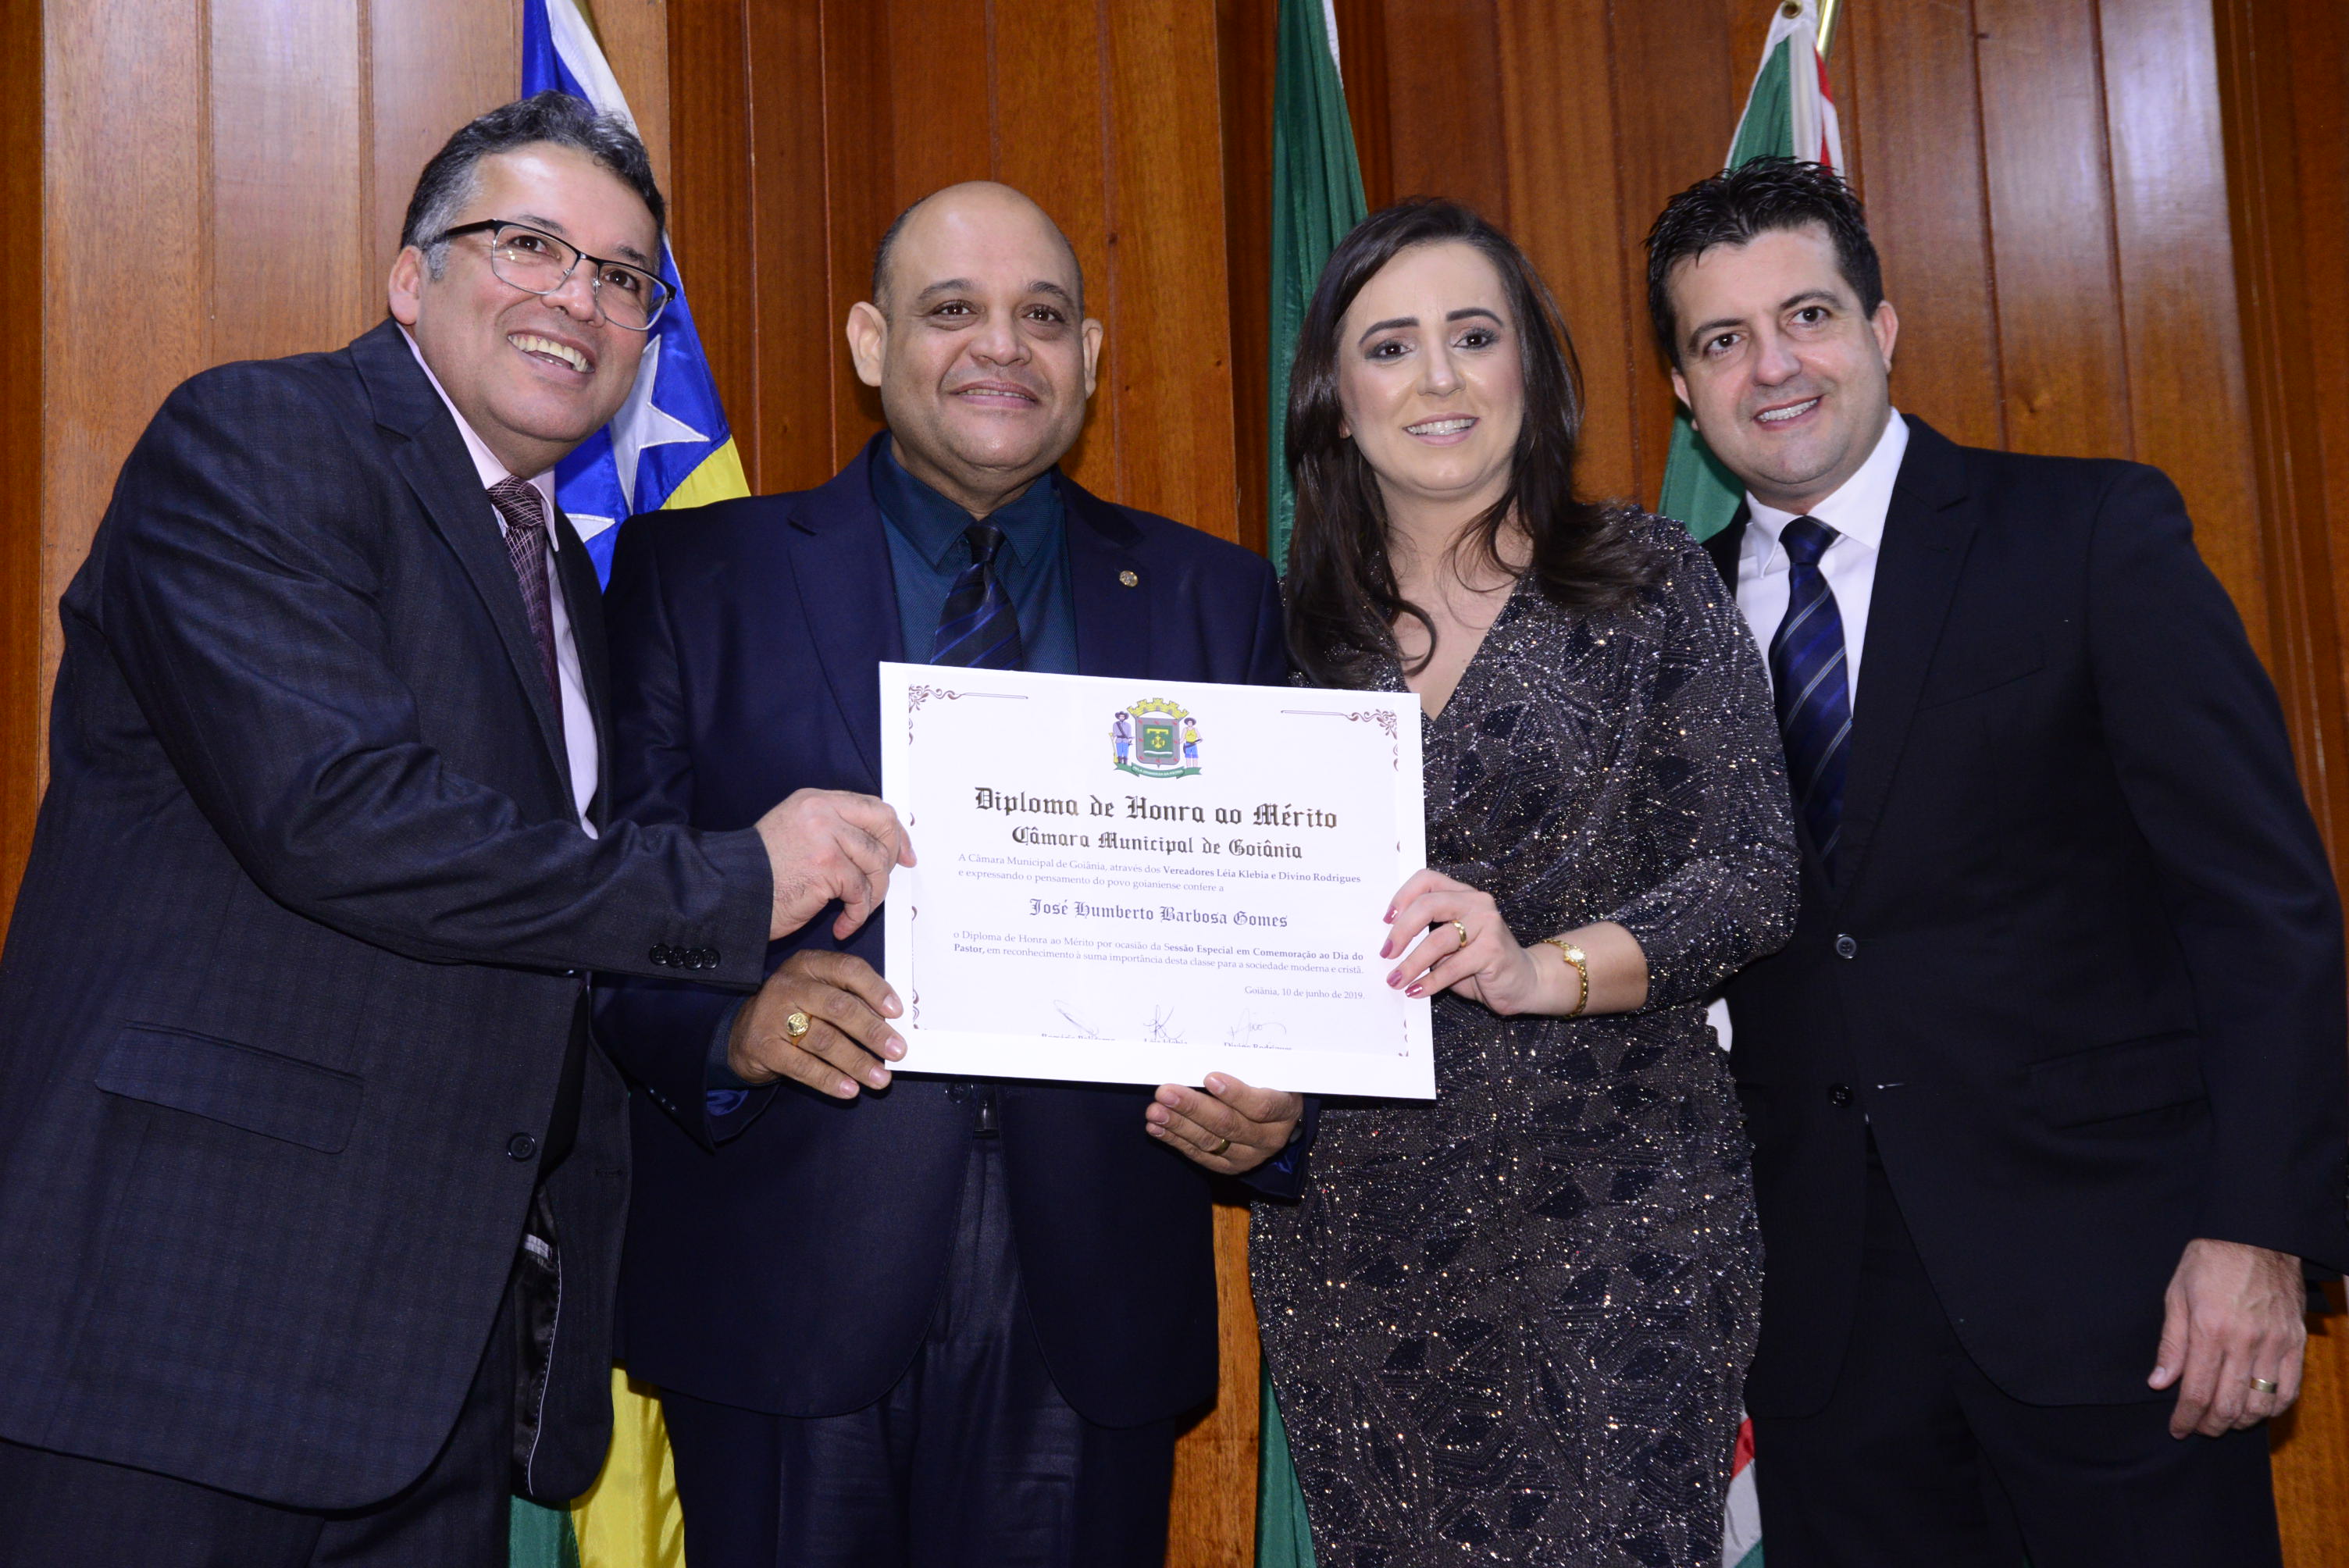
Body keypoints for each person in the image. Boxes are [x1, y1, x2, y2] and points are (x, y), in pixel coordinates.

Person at [0, 94, 911, 1566]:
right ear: (410, 278)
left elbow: (551, 925)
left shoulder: (566, 579)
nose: (579, 298)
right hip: (171, 1336)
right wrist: (739, 879)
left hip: (427, 1370)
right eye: (529, 245)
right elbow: (340, 817)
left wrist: (734, 1021)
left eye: (623, 277)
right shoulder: (259, 441)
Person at [593, 180, 1306, 1568]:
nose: (1001, 347)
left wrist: (1281, 1107)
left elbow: (1278, 921)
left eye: (1042, 316)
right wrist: (728, 1024)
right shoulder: (696, 573)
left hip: (1094, 1288)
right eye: (951, 310)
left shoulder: (1215, 599)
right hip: (780, 1275)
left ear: (1087, 358)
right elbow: (610, 889)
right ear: (871, 343)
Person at [1648, 157, 2349, 1566]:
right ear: (1681, 387)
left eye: (1807, 317)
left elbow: (2262, 910)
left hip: (2128, 1304)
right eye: (1723, 340)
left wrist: (2260, 1234)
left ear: (1882, 328)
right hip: (1827, 1344)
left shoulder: (2090, 534)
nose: (1772, 367)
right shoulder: (1667, 624)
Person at [1250, 199, 1799, 1565]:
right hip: (1355, 1242)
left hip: (1619, 1222)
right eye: (1390, 347)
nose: (1437, 377)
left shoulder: (1648, 581)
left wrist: (1537, 968)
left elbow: (1751, 875)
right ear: (1333, 402)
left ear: (1531, 371)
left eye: (1474, 336)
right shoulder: (1274, 636)